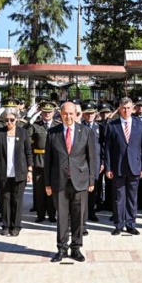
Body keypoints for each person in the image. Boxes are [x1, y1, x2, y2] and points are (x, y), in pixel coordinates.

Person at [44, 102, 99, 263]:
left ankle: (76, 247)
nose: (68, 117)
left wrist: (91, 179)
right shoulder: (53, 132)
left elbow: (91, 157)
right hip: (59, 181)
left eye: (71, 113)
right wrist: (47, 183)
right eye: (65, 114)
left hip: (80, 181)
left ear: (76, 114)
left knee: (78, 216)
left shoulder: (86, 132)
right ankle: (61, 248)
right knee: (61, 217)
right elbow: (48, 160)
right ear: (60, 114)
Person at [104, 97, 142, 236]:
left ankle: (131, 224)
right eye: (123, 108)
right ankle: (118, 224)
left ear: (133, 108)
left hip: (135, 166)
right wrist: (108, 168)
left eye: (129, 108)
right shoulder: (112, 125)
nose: (126, 111)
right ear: (119, 108)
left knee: (132, 197)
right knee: (118, 197)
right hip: (118, 167)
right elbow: (107, 149)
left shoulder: (140, 125)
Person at [0, 108, 33, 236]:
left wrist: (30, 170)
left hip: (19, 172)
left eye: (12, 120)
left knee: (17, 200)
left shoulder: (23, 133)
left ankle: (16, 225)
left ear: (17, 120)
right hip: (3, 171)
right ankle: (5, 225)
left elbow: (28, 152)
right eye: (6, 120)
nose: (9, 122)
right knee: (4, 199)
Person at [31, 101, 60, 223]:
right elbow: (27, 142)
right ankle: (40, 214)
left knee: (52, 190)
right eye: (44, 112)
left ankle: (52, 215)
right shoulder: (35, 125)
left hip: (54, 163)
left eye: (49, 112)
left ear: (53, 113)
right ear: (41, 113)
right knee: (39, 191)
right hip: (39, 161)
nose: (47, 114)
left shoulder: (58, 126)